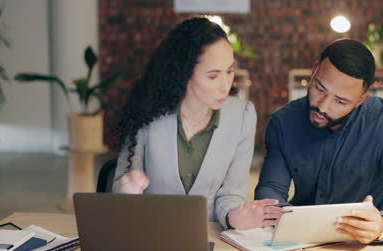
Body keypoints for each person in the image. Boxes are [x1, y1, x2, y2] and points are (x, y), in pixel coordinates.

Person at [113, 17, 280, 230]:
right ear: (184, 75)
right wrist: (129, 190)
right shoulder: (148, 111)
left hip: (209, 235)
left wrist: (233, 216)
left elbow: (231, 194)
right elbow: (120, 185)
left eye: (229, 71)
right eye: (213, 76)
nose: (225, 85)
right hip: (151, 232)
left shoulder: (242, 115)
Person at [255, 39, 383, 243]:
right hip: (302, 239)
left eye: (340, 101)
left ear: (361, 99)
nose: (323, 107)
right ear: (314, 70)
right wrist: (281, 216)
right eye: (320, 89)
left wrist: (382, 224)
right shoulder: (283, 122)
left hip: (365, 243)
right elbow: (270, 189)